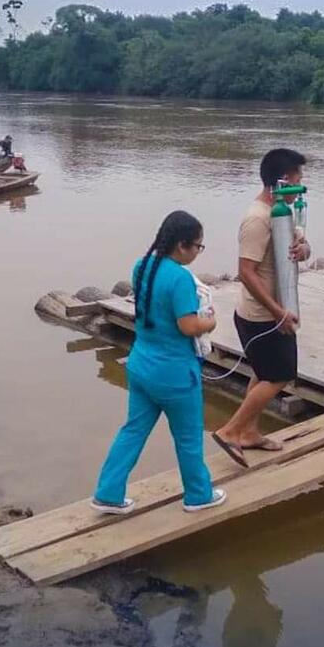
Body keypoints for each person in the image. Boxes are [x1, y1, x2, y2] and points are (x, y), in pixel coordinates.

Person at [93, 211, 227, 514]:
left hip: (141, 365)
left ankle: (108, 492)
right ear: (181, 245)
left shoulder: (143, 266)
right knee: (189, 437)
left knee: (133, 430)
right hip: (175, 374)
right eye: (198, 246)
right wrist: (210, 322)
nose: (198, 252)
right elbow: (188, 326)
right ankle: (198, 495)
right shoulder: (179, 278)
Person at [212, 149, 311, 466]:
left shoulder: (282, 212)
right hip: (262, 317)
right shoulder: (257, 219)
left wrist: (303, 248)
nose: (301, 183)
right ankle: (230, 432)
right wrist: (277, 312)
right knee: (280, 376)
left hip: (273, 311)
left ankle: (250, 434)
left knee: (263, 373)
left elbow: (299, 248)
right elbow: (246, 271)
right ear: (281, 181)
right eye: (297, 176)